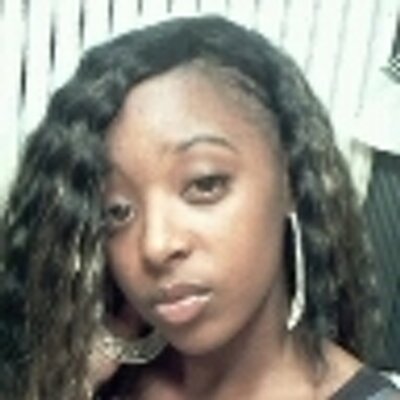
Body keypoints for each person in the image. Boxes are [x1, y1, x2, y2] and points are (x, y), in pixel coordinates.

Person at [0, 15, 399, 400]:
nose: (156, 246)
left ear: (292, 177)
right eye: (116, 212)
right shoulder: (101, 379)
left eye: (205, 184)